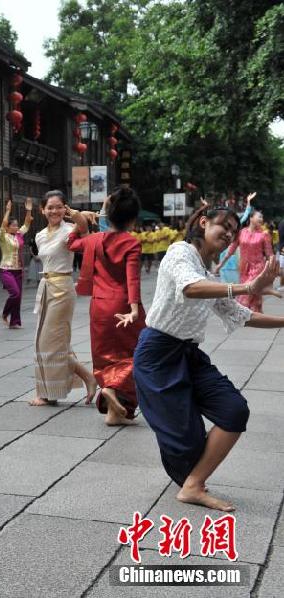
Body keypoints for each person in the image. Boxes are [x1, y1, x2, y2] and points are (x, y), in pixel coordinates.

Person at [134, 202, 284, 512]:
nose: (229, 233)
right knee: (186, 445)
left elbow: (241, 314)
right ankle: (193, 483)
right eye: (223, 226)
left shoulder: (205, 271)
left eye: (233, 230)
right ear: (203, 223)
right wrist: (247, 285)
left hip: (189, 355)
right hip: (158, 356)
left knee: (233, 411)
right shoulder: (180, 252)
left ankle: (192, 486)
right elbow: (190, 288)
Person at [69, 188, 144, 426]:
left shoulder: (93, 240)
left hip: (99, 306)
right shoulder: (131, 243)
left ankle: (114, 411)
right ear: (132, 219)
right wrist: (133, 309)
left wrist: (80, 224)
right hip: (123, 304)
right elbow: (132, 278)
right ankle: (113, 387)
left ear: (107, 215)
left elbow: (71, 243)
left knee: (104, 357)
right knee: (135, 354)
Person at [30, 191, 97, 407]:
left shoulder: (69, 230)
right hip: (46, 287)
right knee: (46, 342)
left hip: (63, 288)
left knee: (50, 342)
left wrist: (76, 214)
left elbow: (84, 226)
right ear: (43, 210)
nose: (54, 211)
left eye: (59, 207)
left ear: (65, 209)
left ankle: (50, 394)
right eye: (50, 207)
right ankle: (87, 377)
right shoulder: (39, 235)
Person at [215, 194, 273, 312]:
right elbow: (231, 249)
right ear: (251, 218)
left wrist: (270, 269)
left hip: (258, 267)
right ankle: (255, 315)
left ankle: (239, 312)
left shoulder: (264, 235)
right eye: (259, 217)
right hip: (243, 267)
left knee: (246, 291)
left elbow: (269, 254)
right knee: (254, 294)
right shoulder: (241, 233)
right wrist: (220, 265)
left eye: (262, 218)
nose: (261, 219)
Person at [0, 198, 33, 329]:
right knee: (15, 293)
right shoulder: (2, 237)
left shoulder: (18, 234)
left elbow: (27, 225)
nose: (16, 227)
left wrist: (28, 211)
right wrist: (7, 211)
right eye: (13, 225)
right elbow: (2, 225)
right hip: (6, 269)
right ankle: (5, 313)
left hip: (18, 270)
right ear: (8, 227)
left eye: (17, 225)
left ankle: (15, 322)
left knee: (19, 297)